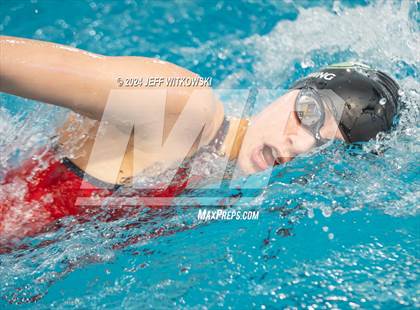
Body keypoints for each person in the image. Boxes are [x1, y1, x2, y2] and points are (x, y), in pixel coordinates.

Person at [0, 36, 400, 240]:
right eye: (309, 114)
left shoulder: (228, 193)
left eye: (324, 145)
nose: (300, 144)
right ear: (291, 91)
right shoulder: (182, 105)